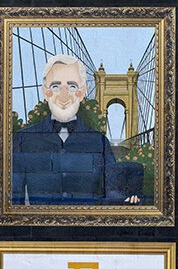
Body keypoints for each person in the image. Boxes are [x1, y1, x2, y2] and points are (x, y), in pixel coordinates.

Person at [12, 54, 143, 205]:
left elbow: (111, 192)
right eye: (55, 86)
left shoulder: (99, 142)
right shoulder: (23, 139)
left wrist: (126, 201)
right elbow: (14, 201)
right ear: (45, 91)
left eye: (72, 86)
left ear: (82, 92)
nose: (63, 95)